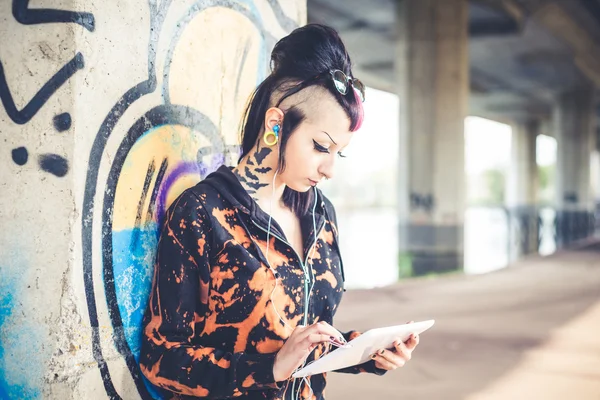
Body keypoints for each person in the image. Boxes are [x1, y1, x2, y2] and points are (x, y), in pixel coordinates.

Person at [139, 24, 419, 400]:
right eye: (321, 146)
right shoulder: (202, 213)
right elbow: (160, 359)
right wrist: (268, 368)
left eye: (340, 152)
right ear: (276, 124)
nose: (330, 169)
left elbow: (306, 343)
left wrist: (365, 352)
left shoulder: (321, 216)